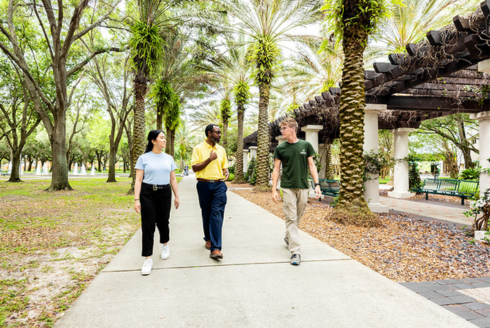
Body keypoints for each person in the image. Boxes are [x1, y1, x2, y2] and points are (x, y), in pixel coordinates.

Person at [272, 118, 321, 266]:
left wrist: (316, 185)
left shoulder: (305, 145)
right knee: (291, 218)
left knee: (298, 215)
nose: (282, 131)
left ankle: (288, 236)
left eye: (284, 128)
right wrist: (274, 189)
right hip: (287, 187)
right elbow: (276, 169)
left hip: (303, 186)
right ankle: (295, 252)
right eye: (281, 128)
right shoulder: (280, 148)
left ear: (293, 129)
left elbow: (311, 166)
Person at [134, 130, 180, 276]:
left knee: (163, 222)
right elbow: (138, 180)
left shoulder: (169, 158)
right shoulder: (143, 158)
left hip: (164, 192)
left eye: (165, 138)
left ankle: (164, 244)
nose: (164, 140)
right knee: (148, 225)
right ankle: (148, 258)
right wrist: (136, 199)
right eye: (161, 138)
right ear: (153, 141)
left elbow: (173, 179)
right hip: (148, 193)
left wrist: (177, 196)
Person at [191, 124, 229, 260]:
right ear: (209, 133)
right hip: (204, 184)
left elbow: (224, 167)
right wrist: (209, 159)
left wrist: (226, 172)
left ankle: (216, 248)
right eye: (217, 132)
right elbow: (195, 168)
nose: (219, 135)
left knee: (217, 214)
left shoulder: (221, 150)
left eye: (220, 132)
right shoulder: (198, 148)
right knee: (206, 213)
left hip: (219, 185)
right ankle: (208, 237)